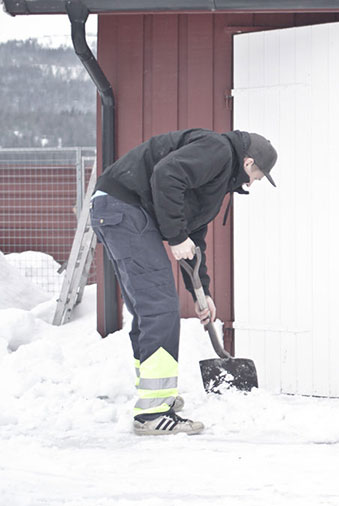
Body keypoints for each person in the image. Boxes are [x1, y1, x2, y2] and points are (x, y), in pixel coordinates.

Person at [90, 128, 278, 435]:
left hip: (118, 208)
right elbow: (166, 175)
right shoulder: (217, 151)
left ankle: (155, 396)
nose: (254, 182)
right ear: (248, 163)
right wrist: (176, 237)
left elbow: (195, 239)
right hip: (124, 206)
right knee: (160, 308)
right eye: (258, 175)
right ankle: (152, 414)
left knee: (149, 308)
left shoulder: (218, 179)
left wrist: (201, 293)